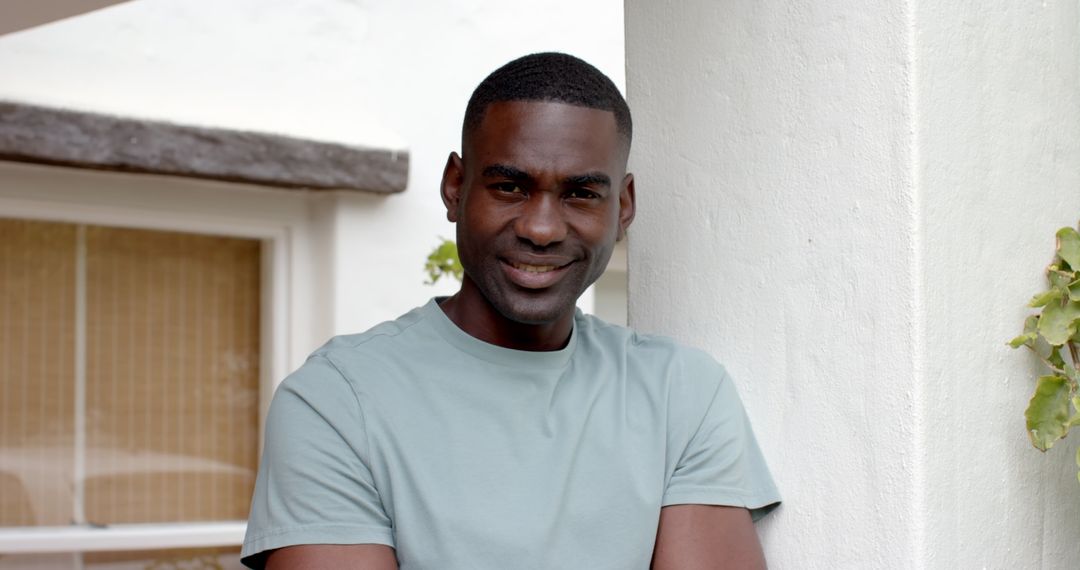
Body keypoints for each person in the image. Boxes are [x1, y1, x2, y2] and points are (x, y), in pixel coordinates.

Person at [241, 52, 780, 569]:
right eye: (508, 186)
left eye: (581, 194)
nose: (541, 228)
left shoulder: (681, 392)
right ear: (456, 187)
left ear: (624, 207)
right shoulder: (337, 400)